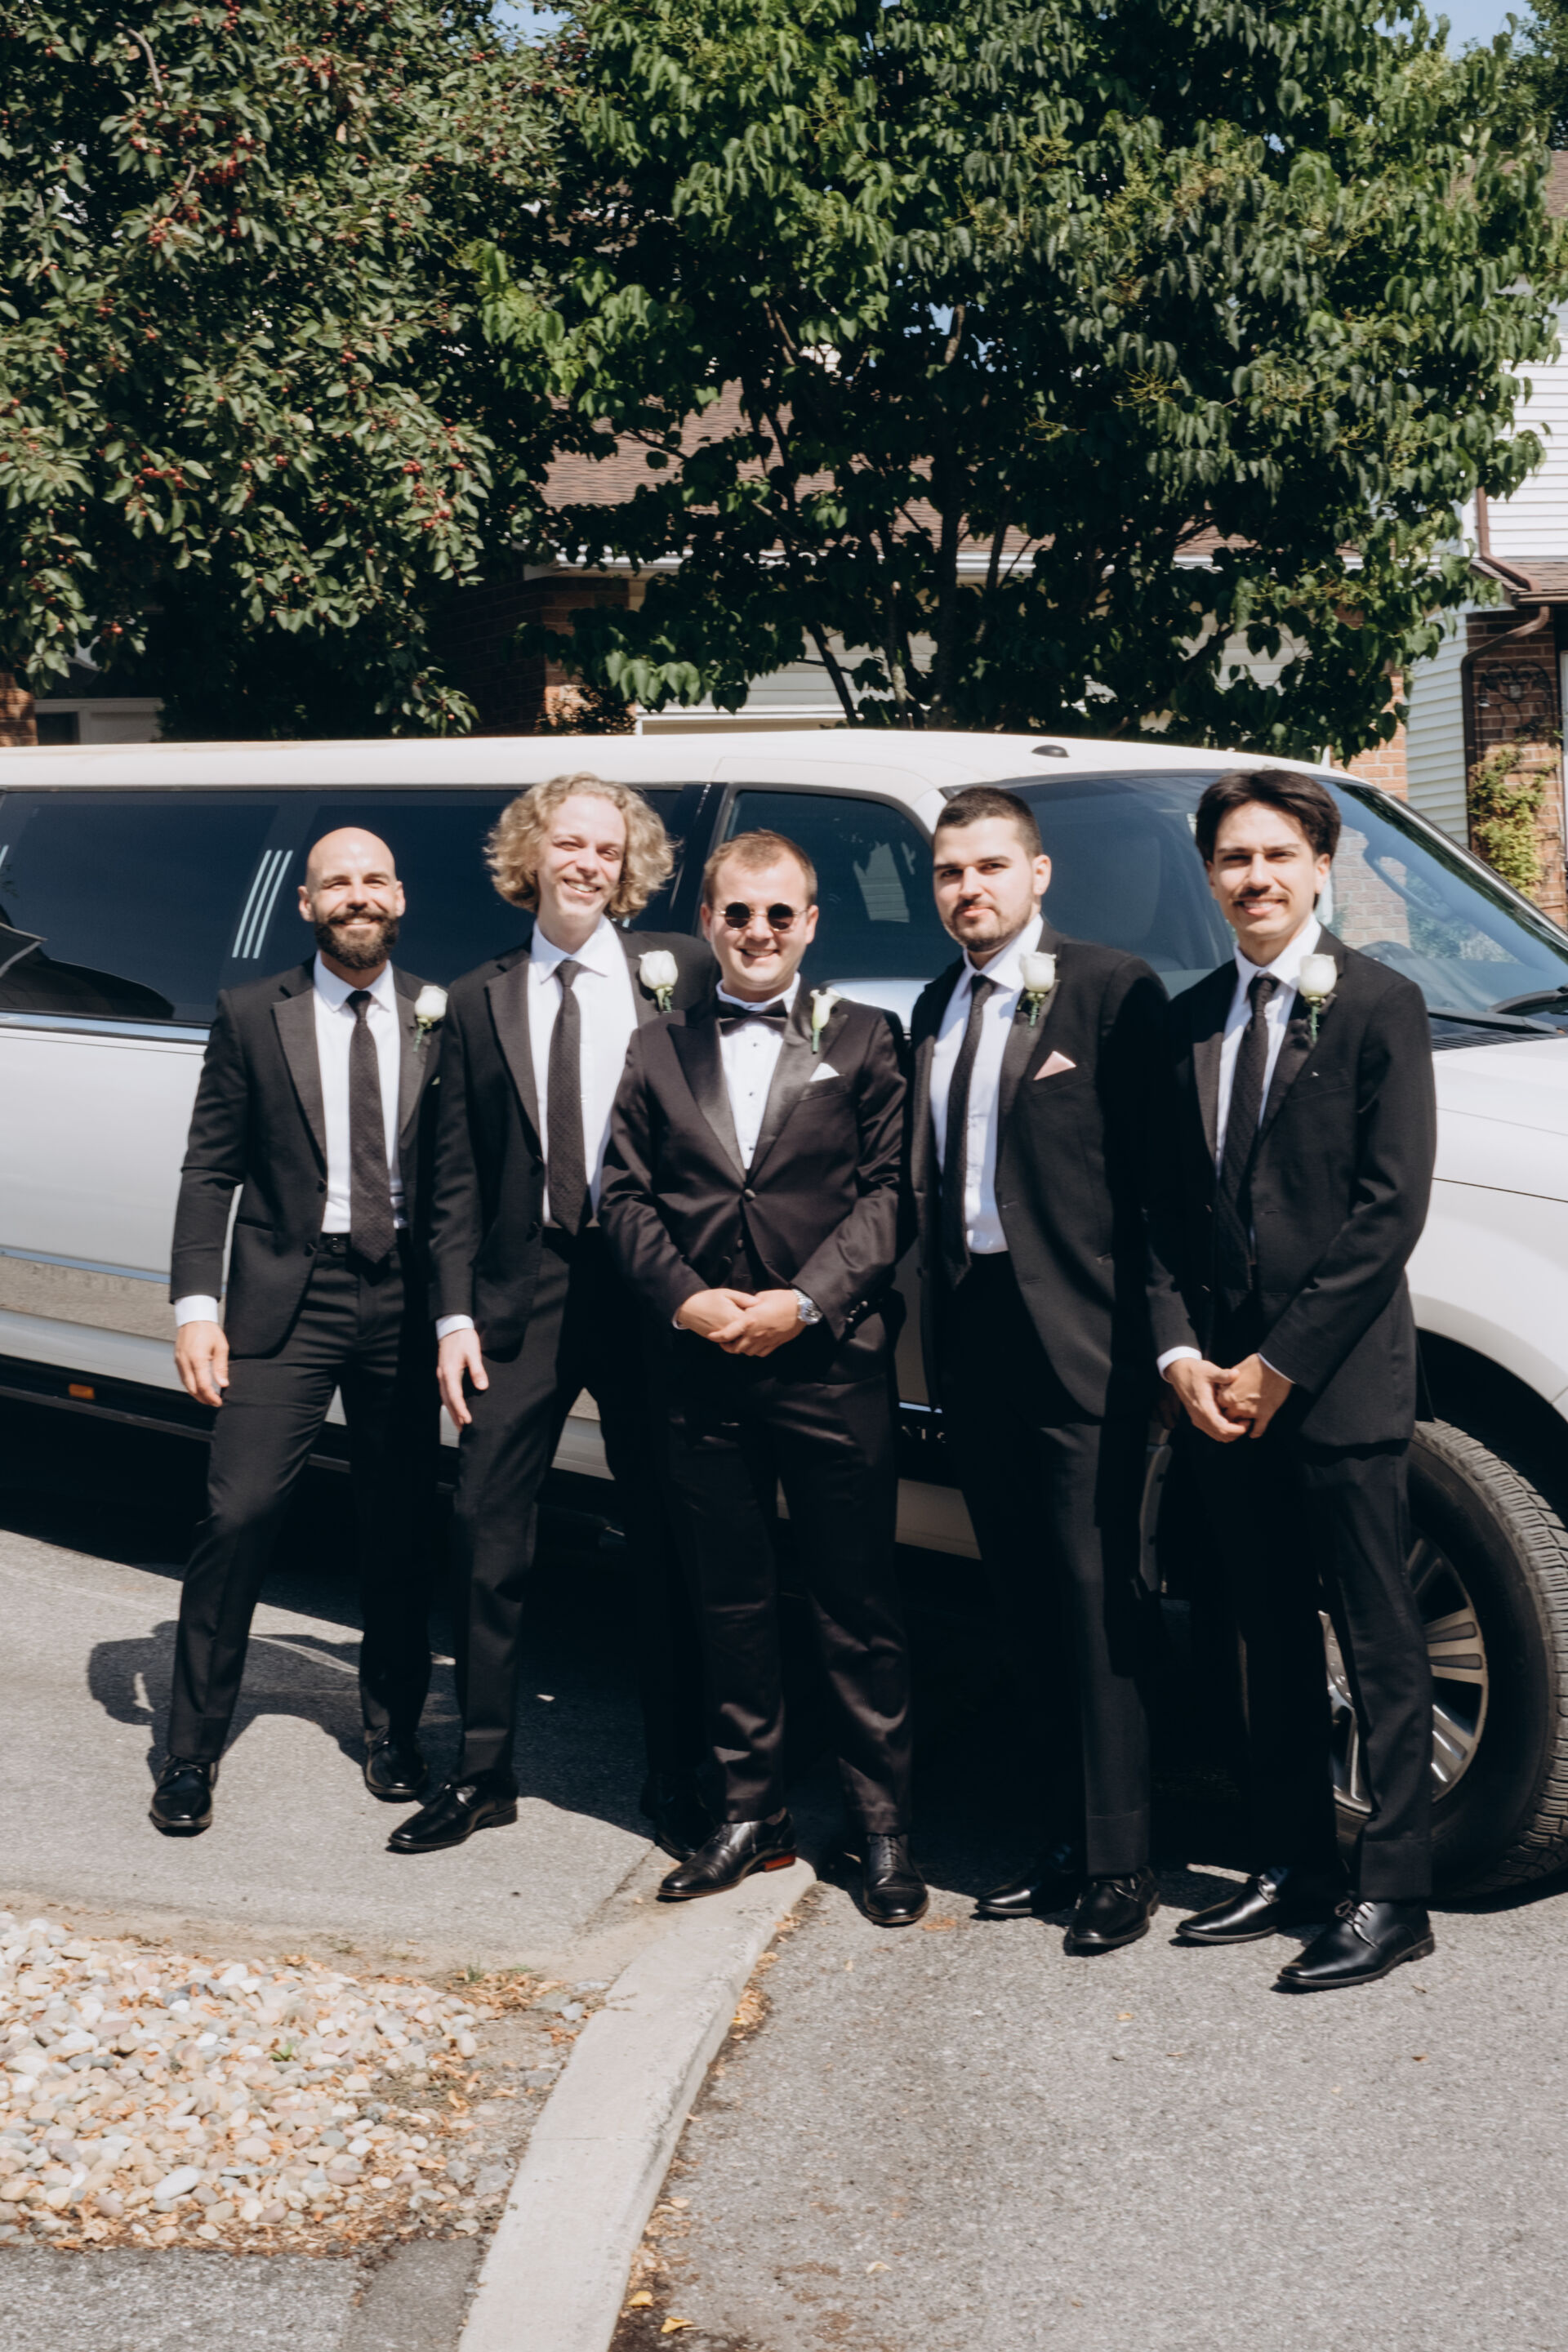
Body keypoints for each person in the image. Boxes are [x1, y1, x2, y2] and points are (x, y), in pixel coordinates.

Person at [599, 829, 926, 1927]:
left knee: (856, 1603)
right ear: (708, 922)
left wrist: (806, 1302)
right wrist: (685, 1298)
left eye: (779, 913)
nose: (757, 932)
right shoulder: (657, 1046)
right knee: (728, 1601)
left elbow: (890, 1195)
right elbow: (622, 1196)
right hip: (700, 1366)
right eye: (737, 913)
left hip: (828, 1362)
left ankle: (883, 1826)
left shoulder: (866, 1037)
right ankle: (752, 1814)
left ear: (810, 924)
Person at [390, 774, 711, 1857]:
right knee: (486, 1525)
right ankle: (482, 1772)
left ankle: (679, 1774)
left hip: (650, 1285)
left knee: (668, 1527)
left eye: (607, 851)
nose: (588, 864)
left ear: (630, 867)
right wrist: (451, 1319)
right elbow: (449, 1181)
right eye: (570, 844)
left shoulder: (680, 971)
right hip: (520, 1291)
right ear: (531, 854)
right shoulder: (477, 997)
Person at [1155, 767, 1438, 1991]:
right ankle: (1292, 1865)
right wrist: (1183, 1356)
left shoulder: (1380, 1005)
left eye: (1278, 854)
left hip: (1337, 1384)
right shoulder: (1189, 1019)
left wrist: (1283, 1364)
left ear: (1323, 866)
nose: (1255, 877)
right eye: (1234, 857)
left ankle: (1396, 1893)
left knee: (1377, 1640)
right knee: (1262, 1636)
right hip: (1222, 1392)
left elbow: (1388, 1213)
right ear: (1209, 875)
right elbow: (1163, 1214)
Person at [906, 786, 1168, 1954]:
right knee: (1020, 1599)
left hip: (1083, 1342)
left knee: (1098, 1599)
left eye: (990, 867)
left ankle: (1123, 1860)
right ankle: (1059, 1839)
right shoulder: (936, 1003)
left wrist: (1159, 1344)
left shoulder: (1109, 990)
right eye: (951, 872)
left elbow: (1158, 1190)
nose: (970, 889)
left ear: (1039, 874)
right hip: (972, 1337)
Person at [156, 829, 442, 1833]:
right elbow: (210, 1169)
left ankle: (393, 1732)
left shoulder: (444, 1015)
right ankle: (188, 1751)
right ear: (307, 903)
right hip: (286, 1296)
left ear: (398, 896)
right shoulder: (251, 1013)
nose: (357, 895)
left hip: (406, 1300)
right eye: (337, 883)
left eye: (373, 879)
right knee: (237, 1516)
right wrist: (198, 1308)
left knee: (401, 1524)